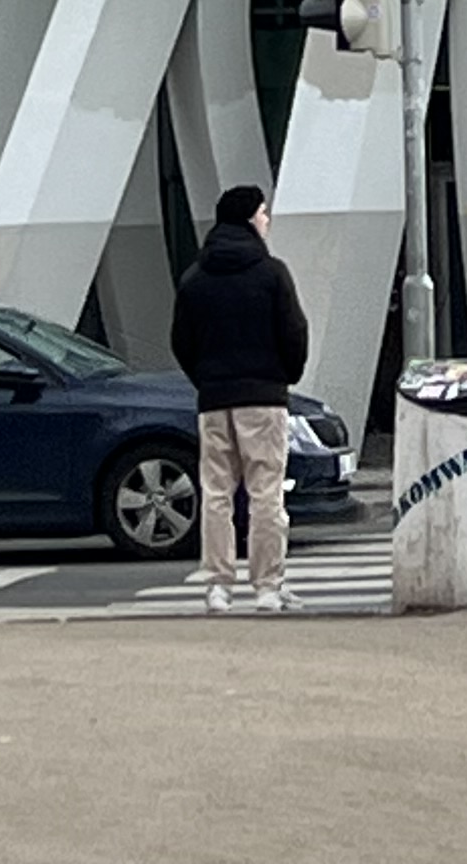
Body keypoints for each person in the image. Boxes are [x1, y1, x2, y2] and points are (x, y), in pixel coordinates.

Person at [171, 182, 310, 616]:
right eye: (264, 212)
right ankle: (267, 586)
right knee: (266, 492)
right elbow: (294, 331)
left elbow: (181, 341)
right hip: (263, 398)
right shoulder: (271, 273)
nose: (267, 220)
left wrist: (206, 379)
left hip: (214, 400)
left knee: (216, 493)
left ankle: (218, 585)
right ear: (251, 218)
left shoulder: (195, 278)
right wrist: (283, 377)